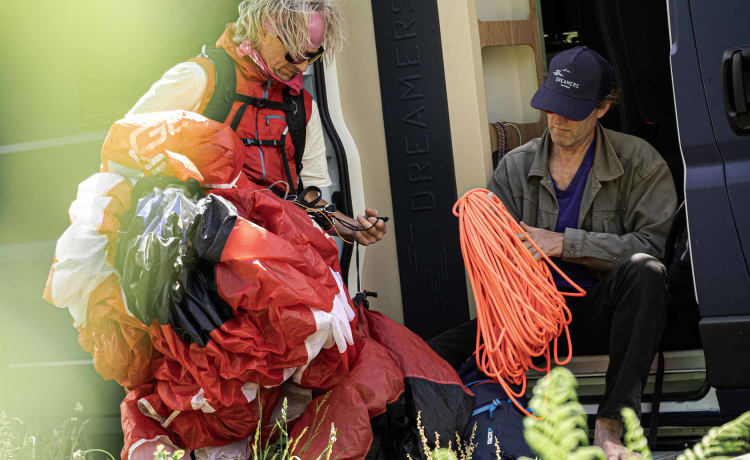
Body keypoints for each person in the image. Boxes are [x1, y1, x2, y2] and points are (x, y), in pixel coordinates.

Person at [431, 46, 677, 460]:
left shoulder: (639, 162)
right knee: (428, 354)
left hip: (598, 313)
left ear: (603, 107)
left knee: (646, 272)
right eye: (550, 107)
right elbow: (492, 263)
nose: (557, 119)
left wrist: (565, 243)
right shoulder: (514, 167)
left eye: (571, 110)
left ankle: (610, 427)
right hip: (529, 318)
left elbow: (652, 246)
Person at [127, 0, 386, 246]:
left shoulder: (302, 107)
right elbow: (126, 150)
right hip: (204, 263)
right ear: (264, 30)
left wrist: (352, 228)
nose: (302, 67)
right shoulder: (200, 80)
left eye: (312, 56)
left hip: (279, 262)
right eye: (295, 54)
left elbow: (309, 199)